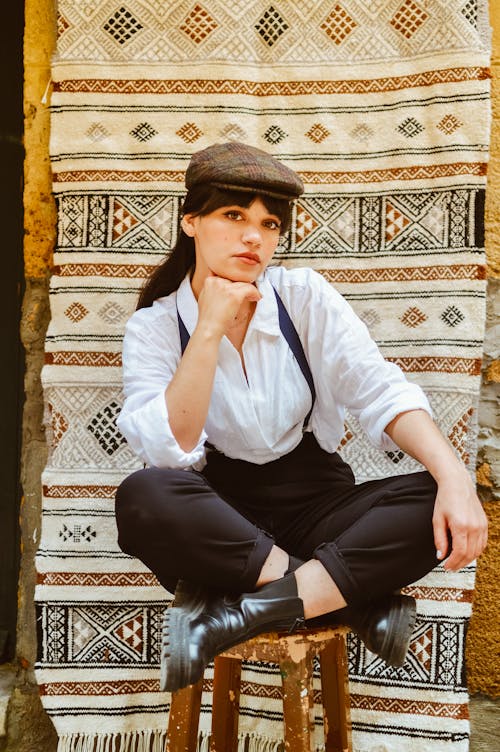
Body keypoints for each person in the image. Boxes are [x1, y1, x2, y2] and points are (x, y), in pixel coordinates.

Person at [115, 141, 487, 694]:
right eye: (233, 215)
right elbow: (172, 450)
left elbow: (378, 388)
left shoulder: (303, 296)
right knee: (142, 498)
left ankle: (238, 613)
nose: (253, 237)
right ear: (191, 221)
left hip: (320, 508)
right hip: (223, 524)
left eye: (269, 224)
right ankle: (352, 602)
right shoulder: (155, 328)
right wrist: (211, 326)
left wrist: (456, 479)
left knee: (433, 498)